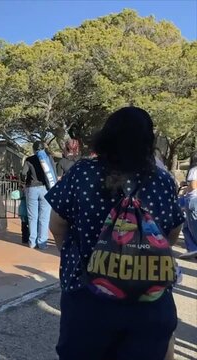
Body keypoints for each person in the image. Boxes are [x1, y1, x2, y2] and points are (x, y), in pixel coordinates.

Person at [46, 107, 184, 360]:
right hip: (148, 298)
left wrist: (75, 257)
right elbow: (173, 231)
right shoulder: (162, 181)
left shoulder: (82, 173)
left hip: (87, 295)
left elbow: (56, 225)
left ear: (106, 136)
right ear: (148, 141)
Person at [21, 141, 55, 250]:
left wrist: (23, 182)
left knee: (32, 217)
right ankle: (42, 243)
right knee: (44, 217)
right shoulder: (48, 158)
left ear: (33, 149)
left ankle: (32, 242)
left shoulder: (29, 159)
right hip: (45, 189)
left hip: (31, 189)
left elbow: (23, 173)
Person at [179, 151, 197, 259]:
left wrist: (186, 189)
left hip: (193, 199)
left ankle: (193, 249)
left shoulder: (194, 170)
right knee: (186, 226)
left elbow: (194, 185)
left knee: (193, 226)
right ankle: (192, 250)